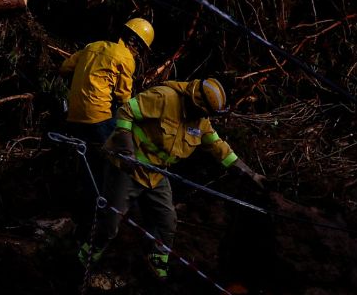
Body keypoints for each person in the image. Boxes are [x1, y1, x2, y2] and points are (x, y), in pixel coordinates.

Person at [92, 78, 263, 282]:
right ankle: (90, 252)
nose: (206, 117)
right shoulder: (164, 97)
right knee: (111, 221)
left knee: (167, 220)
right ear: (197, 104)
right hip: (127, 168)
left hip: (157, 174)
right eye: (206, 112)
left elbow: (219, 148)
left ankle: (156, 258)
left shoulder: (201, 122)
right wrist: (126, 149)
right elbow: (126, 111)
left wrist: (249, 173)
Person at [60, 17, 154, 145]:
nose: (138, 54)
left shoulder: (92, 46)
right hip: (98, 120)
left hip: (73, 117)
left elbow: (65, 68)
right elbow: (123, 97)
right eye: (140, 49)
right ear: (135, 44)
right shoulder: (126, 58)